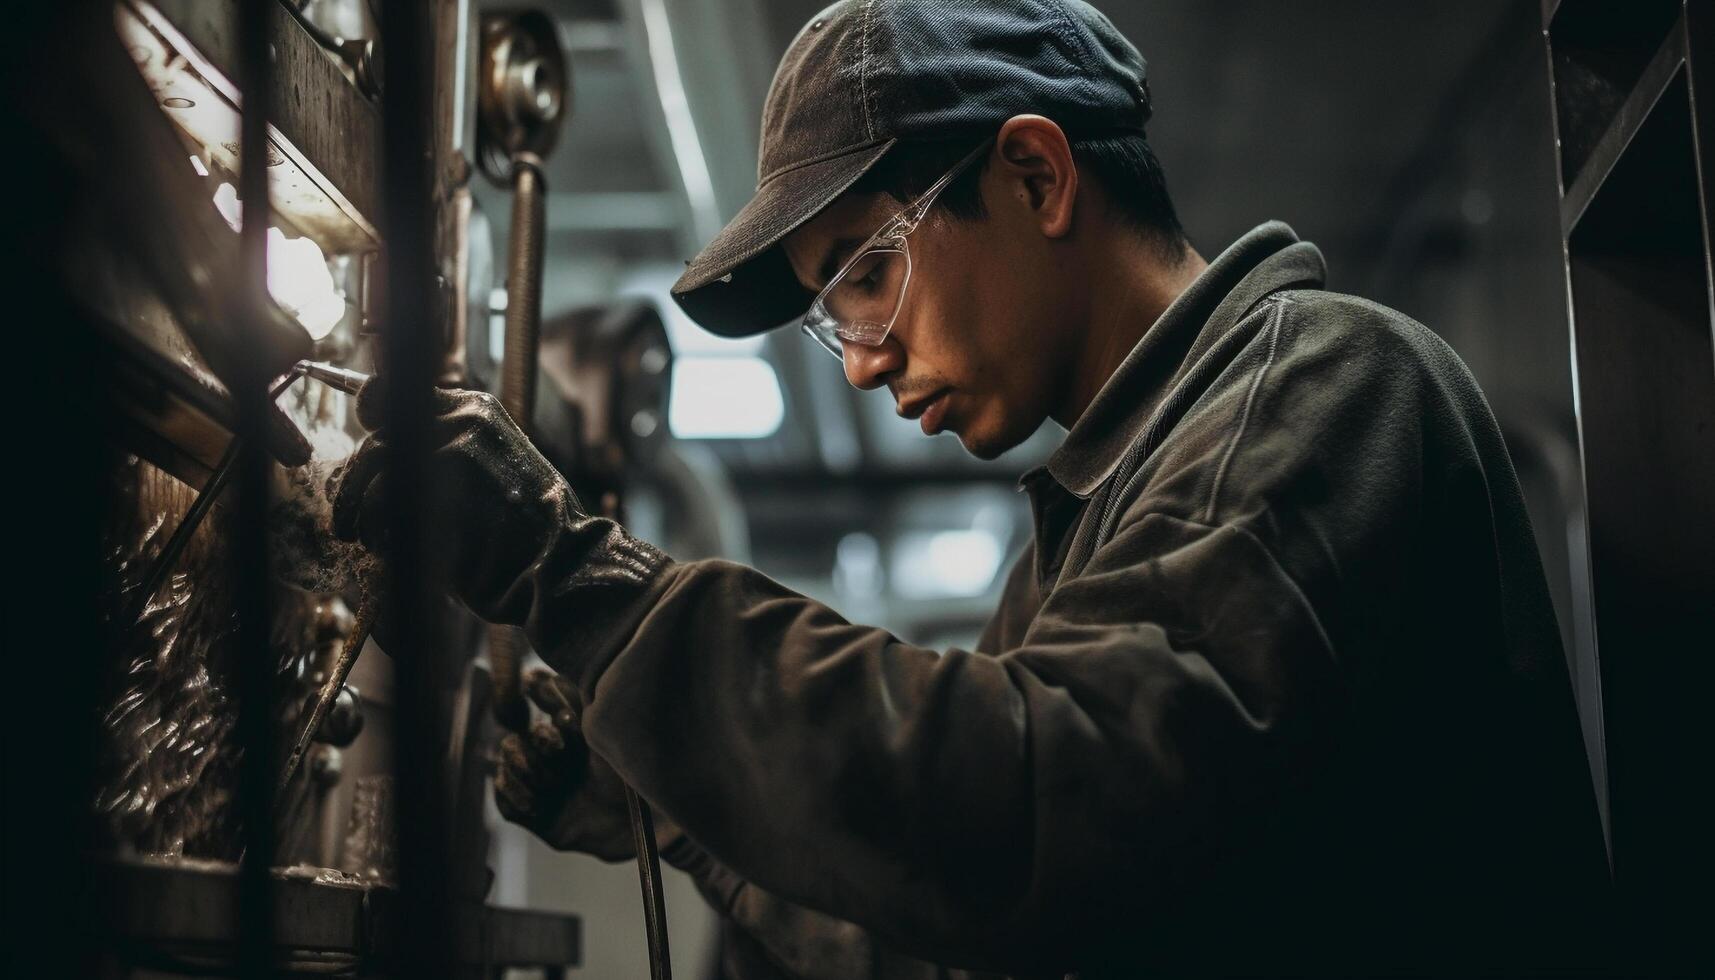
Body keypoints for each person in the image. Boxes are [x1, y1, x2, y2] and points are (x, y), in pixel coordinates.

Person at [334, 1, 1609, 975]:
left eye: (866, 273)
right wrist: (677, 818)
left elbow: (1049, 809)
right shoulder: (1086, 532)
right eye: (833, 317)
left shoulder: (1324, 389)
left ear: (1038, 176)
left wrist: (575, 577)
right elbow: (957, 932)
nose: (864, 360)